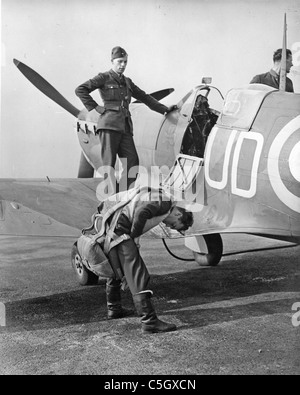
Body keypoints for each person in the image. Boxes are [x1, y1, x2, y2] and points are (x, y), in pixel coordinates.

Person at [75, 46, 177, 192]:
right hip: (109, 125)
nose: (122, 65)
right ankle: (112, 196)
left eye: (125, 62)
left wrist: (165, 109)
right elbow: (80, 89)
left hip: (125, 127)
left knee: (133, 163)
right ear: (112, 61)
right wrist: (96, 108)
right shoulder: (103, 77)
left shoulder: (127, 82)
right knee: (109, 164)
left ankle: (122, 193)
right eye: (120, 61)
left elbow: (145, 97)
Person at [94, 186, 194, 334]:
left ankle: (114, 309)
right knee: (138, 275)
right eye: (173, 224)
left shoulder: (158, 197)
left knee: (118, 269)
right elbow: (141, 213)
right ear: (178, 213)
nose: (167, 225)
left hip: (109, 226)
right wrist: (134, 238)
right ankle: (149, 322)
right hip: (120, 230)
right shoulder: (165, 203)